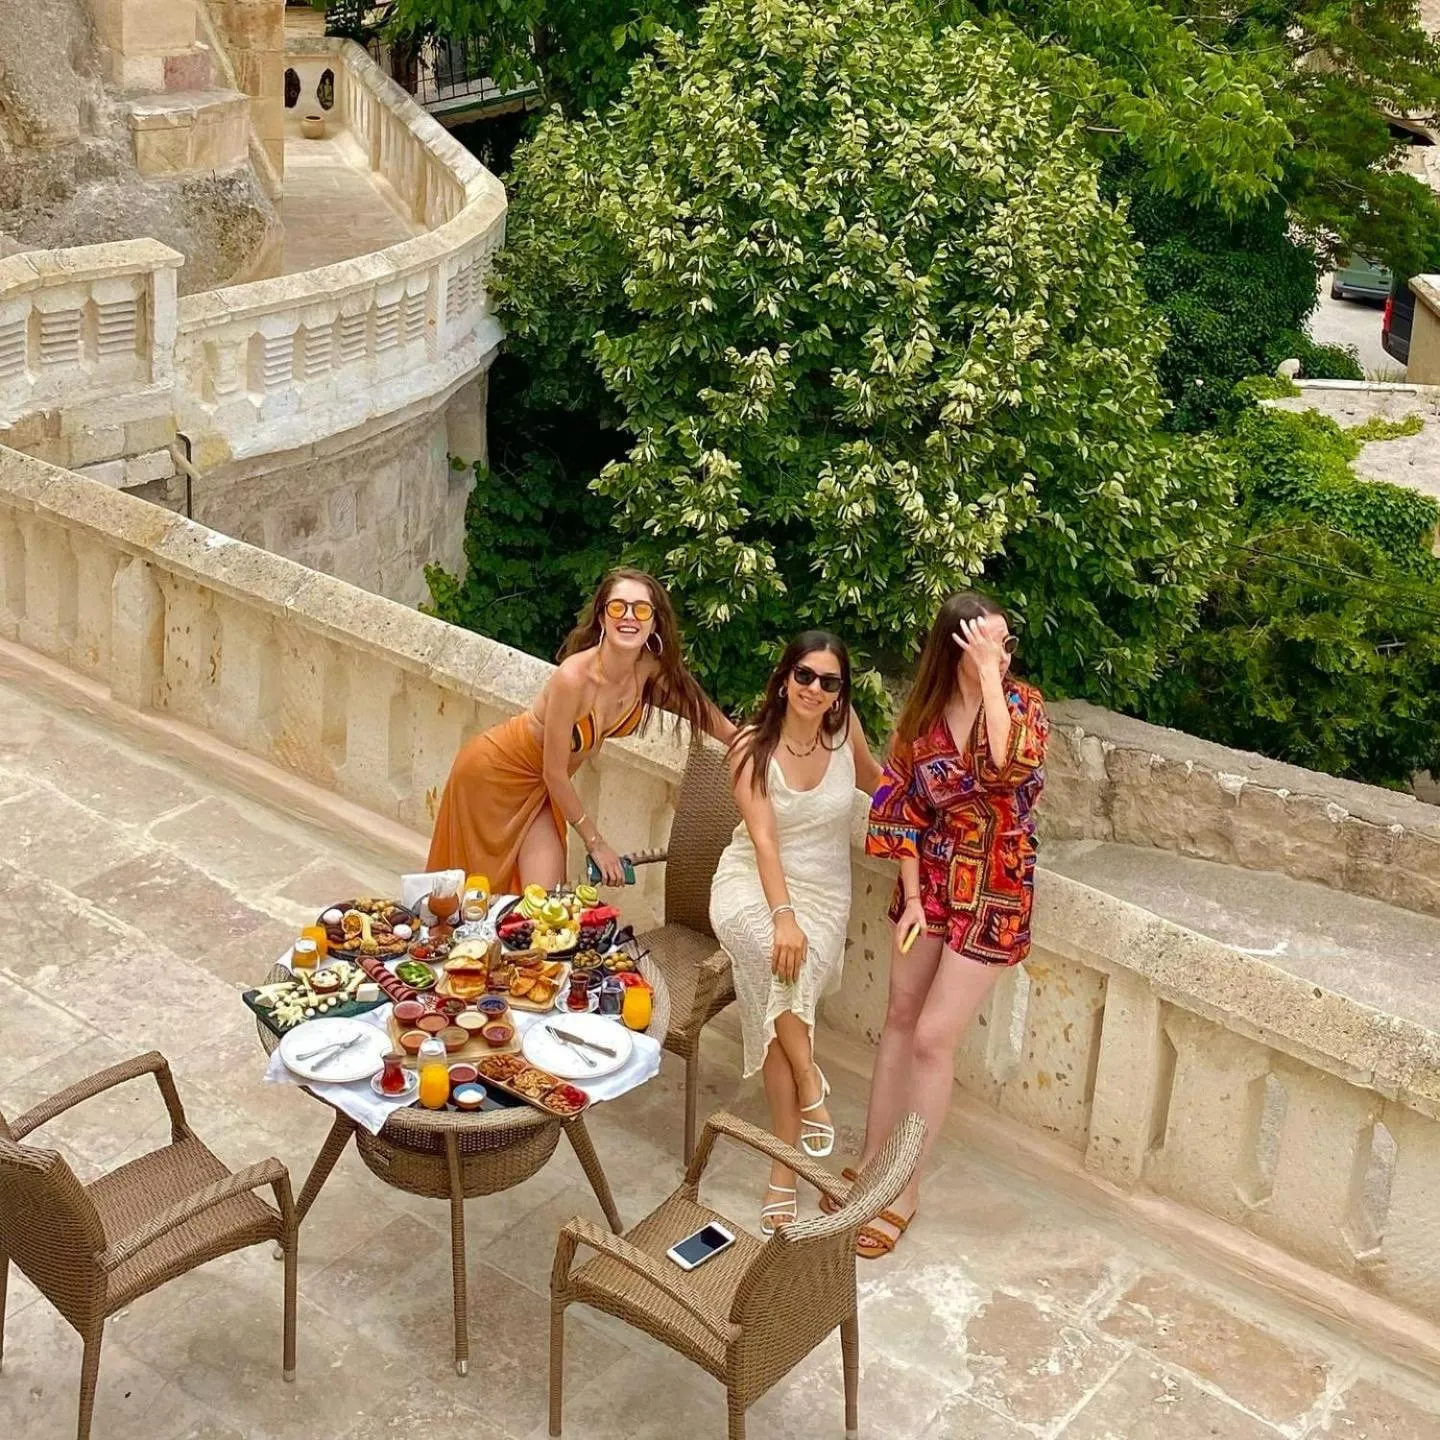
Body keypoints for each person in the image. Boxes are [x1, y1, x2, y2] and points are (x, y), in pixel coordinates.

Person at [836, 591, 1049, 1258]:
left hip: (995, 891)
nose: (1003, 654)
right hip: (928, 884)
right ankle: (873, 1162)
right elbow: (897, 810)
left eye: (1007, 644)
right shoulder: (922, 720)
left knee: (933, 1036)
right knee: (898, 1017)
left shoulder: (1022, 707)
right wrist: (913, 895)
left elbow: (1005, 767)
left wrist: (990, 675)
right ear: (952, 646)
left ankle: (905, 1190)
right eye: (989, 644)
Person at [709, 632, 883, 1234]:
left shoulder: (842, 732)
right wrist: (782, 917)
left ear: (841, 693)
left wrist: (927, 829)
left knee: (783, 1007)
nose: (815, 689)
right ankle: (809, 1090)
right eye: (805, 676)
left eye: (830, 682)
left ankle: (788, 1155)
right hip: (752, 886)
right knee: (778, 960)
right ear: (785, 677)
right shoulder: (750, 748)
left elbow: (876, 783)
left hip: (825, 893)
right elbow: (762, 840)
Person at [428, 568, 733, 890]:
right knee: (473, 898)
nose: (629, 616)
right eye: (618, 607)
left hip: (539, 788)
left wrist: (742, 741)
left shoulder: (648, 666)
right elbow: (555, 772)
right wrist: (597, 844)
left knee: (541, 902)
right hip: (492, 774)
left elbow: (700, 710)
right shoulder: (572, 678)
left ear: (655, 622)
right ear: (602, 617)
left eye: (641, 609)